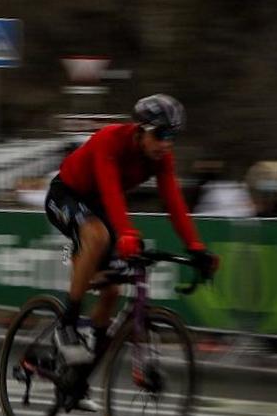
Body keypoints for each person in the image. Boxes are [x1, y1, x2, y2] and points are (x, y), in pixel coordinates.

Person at [42, 95, 218, 400]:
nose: (166, 143)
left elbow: (174, 203)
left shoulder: (162, 158)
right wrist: (125, 232)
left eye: (172, 136)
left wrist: (196, 247)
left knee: (111, 291)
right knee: (97, 236)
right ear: (141, 129)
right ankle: (66, 324)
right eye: (160, 134)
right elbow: (110, 188)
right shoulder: (110, 139)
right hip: (66, 195)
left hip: (97, 207)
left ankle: (78, 377)